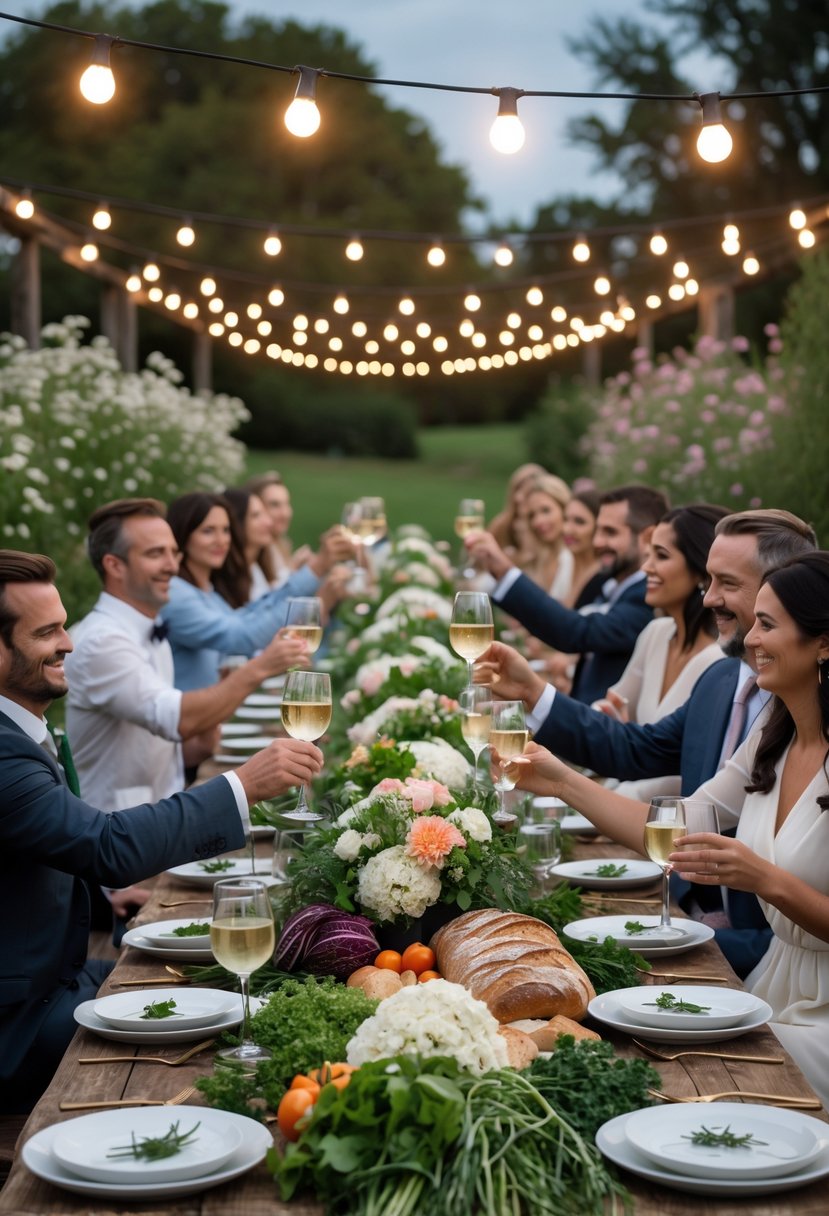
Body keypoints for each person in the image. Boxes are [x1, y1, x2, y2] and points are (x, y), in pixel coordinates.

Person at [0, 549, 323, 1113]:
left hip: (58, 976)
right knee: (223, 1045)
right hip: (18, 1027)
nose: (68, 644)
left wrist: (101, 897)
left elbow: (49, 852)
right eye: (46, 632)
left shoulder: (22, 729)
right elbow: (106, 846)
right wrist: (241, 786)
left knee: (235, 988)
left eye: (64, 625)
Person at [503, 552, 829, 1109]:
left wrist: (766, 880)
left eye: (768, 625)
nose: (751, 640)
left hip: (821, 1015)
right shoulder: (772, 736)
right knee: (633, 1033)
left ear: (823, 643)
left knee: (672, 1070)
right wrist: (559, 781)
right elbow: (675, 830)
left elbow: (764, 879)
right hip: (772, 987)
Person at [476, 508, 818, 975]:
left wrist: (764, 881)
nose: (709, 597)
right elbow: (678, 813)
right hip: (742, 947)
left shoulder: (742, 681)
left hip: (762, 951)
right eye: (708, 581)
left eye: (727, 584)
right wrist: (559, 780)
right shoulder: (758, 713)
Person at [65, 498, 308, 809]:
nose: (172, 565)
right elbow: (177, 719)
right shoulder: (103, 641)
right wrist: (260, 667)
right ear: (114, 565)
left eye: (173, 552)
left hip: (157, 814)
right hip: (114, 828)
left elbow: (167, 740)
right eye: (155, 554)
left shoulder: (148, 630)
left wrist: (202, 743)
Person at [468, 484, 668, 704]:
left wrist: (504, 571)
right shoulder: (614, 588)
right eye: (598, 530)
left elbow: (576, 631)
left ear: (647, 538)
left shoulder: (646, 599)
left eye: (610, 532)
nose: (598, 542)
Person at [593, 504, 728, 799]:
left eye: (661, 556)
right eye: (649, 553)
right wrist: (608, 718)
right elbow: (611, 708)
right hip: (628, 802)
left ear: (700, 571)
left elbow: (696, 775)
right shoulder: (656, 633)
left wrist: (623, 794)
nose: (646, 567)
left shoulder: (720, 662)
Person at [162, 492, 351, 690]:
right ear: (183, 534)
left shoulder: (208, 594)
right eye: (208, 531)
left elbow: (251, 613)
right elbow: (241, 636)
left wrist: (314, 573)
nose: (221, 540)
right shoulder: (177, 593)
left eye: (226, 530)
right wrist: (310, 604)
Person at [244, 471, 311, 586]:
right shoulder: (252, 552)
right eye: (275, 505)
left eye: (287, 504)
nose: (285, 514)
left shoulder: (281, 545)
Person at [223, 486, 279, 600]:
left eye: (265, 514)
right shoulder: (228, 579)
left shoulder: (257, 568)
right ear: (237, 522)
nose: (268, 522)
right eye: (256, 515)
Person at [521, 474, 572, 598]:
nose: (537, 521)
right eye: (532, 515)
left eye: (546, 510)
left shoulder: (574, 558)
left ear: (564, 508)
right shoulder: (536, 560)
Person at [487, 463, 547, 568]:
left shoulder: (545, 528)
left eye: (527, 491)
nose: (518, 497)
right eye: (517, 489)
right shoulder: (502, 524)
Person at [561, 488, 603, 609]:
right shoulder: (565, 564)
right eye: (565, 519)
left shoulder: (601, 578)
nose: (567, 529)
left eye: (579, 522)